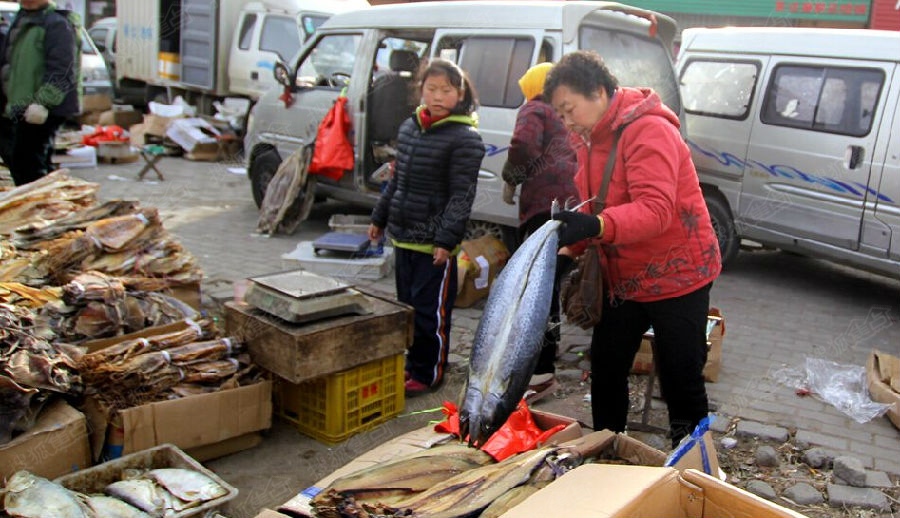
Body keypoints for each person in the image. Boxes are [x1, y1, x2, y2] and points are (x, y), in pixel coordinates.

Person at [544, 50, 722, 447]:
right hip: (625, 277)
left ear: (599, 92)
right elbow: (596, 202)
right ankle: (609, 449)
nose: (566, 121)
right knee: (606, 367)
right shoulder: (588, 137)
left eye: (569, 109)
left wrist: (597, 225)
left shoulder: (649, 130)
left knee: (680, 377)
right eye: (560, 114)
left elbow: (657, 210)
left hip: (679, 274)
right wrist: (568, 250)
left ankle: (693, 469)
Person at [368, 58, 484, 397]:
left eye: (446, 90)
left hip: (434, 244)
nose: (437, 96)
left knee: (430, 313)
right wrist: (379, 218)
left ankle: (430, 372)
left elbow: (461, 197)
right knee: (407, 308)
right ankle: (413, 364)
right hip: (404, 236)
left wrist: (446, 240)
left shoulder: (465, 139)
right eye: (431, 88)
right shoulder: (409, 128)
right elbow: (397, 181)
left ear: (460, 93)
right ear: (420, 90)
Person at [501, 62, 579, 403]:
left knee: (539, 292)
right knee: (549, 286)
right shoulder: (565, 113)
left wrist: (511, 176)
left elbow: (522, 144)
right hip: (573, 206)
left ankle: (542, 373)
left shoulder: (535, 107)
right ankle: (545, 360)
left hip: (543, 209)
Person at [0, 0, 80, 186]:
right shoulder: (21, 19)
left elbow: (63, 69)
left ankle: (42, 207)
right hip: (18, 105)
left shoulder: (55, 23)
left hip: (39, 108)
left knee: (28, 163)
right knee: (19, 161)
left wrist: (43, 102)